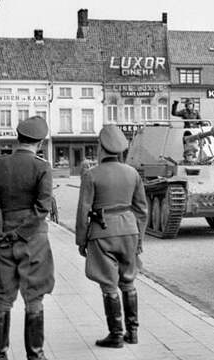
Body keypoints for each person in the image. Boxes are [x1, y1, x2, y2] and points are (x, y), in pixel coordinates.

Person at [0, 116, 54, 360]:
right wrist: (21, 233)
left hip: (4, 240)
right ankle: (35, 355)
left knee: (3, 296)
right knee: (34, 296)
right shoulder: (42, 168)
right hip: (34, 240)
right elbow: (42, 208)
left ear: (17, 138)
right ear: (39, 143)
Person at [75, 125, 148, 348]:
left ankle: (116, 334)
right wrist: (139, 240)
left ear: (101, 147)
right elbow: (142, 210)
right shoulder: (132, 173)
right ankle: (133, 333)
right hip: (129, 231)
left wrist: (81, 240)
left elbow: (83, 211)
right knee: (128, 280)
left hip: (102, 232)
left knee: (108, 284)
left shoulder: (91, 175)